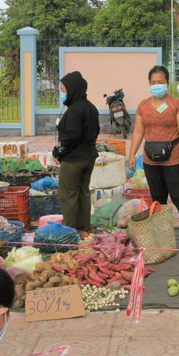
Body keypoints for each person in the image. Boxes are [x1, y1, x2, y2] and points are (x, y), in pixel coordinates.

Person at [128, 65, 179, 249]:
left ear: (167, 83)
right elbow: (138, 132)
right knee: (158, 199)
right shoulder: (143, 106)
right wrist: (131, 154)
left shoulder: (177, 104)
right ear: (149, 84)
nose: (156, 85)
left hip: (173, 159)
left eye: (160, 82)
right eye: (153, 82)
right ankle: (162, 236)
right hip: (150, 160)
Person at [54, 70, 100, 237]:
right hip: (89, 157)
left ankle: (71, 232)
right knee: (83, 192)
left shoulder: (74, 110)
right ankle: (84, 229)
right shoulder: (91, 108)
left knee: (67, 194)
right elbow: (96, 130)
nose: (62, 93)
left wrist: (59, 150)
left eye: (63, 89)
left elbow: (72, 135)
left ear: (73, 89)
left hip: (74, 159)